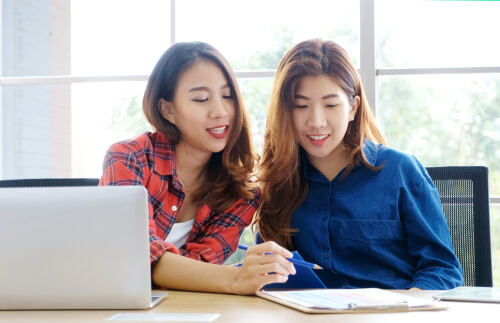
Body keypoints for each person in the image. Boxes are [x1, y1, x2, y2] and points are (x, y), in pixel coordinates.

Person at [254, 39, 464, 290]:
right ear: (285, 111)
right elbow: (271, 274)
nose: (316, 122)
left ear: (353, 107)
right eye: (301, 106)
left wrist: (409, 305)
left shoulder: (400, 171)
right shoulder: (281, 179)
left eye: (330, 105)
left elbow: (442, 270)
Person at [100, 41, 295, 295]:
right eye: (201, 99)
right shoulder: (128, 158)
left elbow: (199, 272)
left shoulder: (241, 195)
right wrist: (235, 277)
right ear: (167, 110)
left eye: (227, 96)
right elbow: (134, 256)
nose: (220, 111)